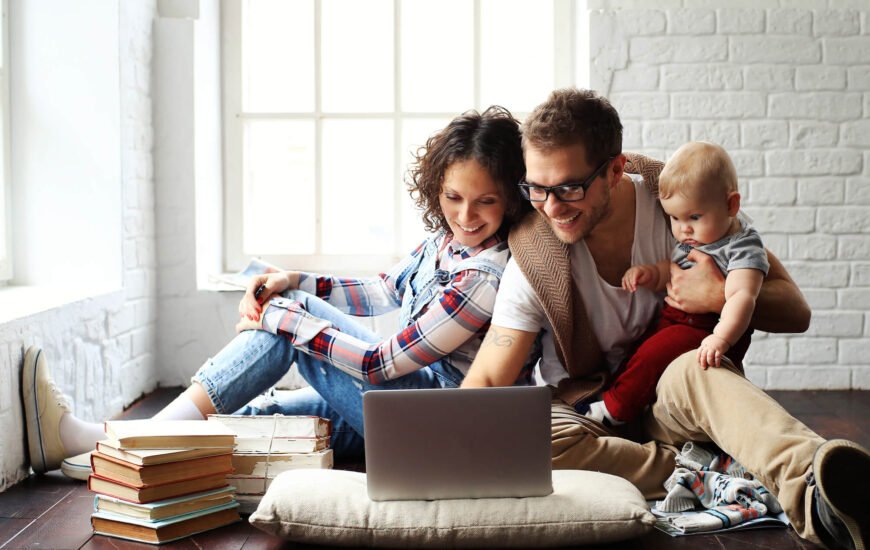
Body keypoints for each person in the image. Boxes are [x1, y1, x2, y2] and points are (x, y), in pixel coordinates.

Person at [22, 105, 534, 476]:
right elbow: (383, 290)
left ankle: (109, 442)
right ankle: (114, 452)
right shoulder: (446, 243)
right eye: (453, 197)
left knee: (293, 319)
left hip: (429, 424)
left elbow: (380, 365)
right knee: (265, 417)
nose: (466, 215)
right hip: (400, 405)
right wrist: (293, 279)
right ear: (435, 188)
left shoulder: (483, 277)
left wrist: (281, 318)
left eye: (485, 202)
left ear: (511, 198)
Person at [460, 88, 868, 550]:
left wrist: (718, 293)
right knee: (528, 441)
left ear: (615, 170)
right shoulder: (536, 257)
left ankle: (820, 495)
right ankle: (714, 469)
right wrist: (449, 441)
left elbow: (797, 311)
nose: (552, 207)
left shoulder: (681, 205)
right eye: (537, 189)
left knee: (698, 367)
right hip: (586, 411)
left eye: (569, 188)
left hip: (670, 398)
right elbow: (491, 374)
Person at [576, 141, 769, 426]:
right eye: (675, 218)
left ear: (731, 205)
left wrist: (721, 339)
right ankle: (618, 400)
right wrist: (652, 274)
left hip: (707, 329)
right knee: (638, 350)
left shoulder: (741, 246)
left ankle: (615, 411)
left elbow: (742, 296)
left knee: (652, 356)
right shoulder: (696, 238)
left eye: (694, 217)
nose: (683, 228)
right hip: (673, 319)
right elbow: (676, 269)